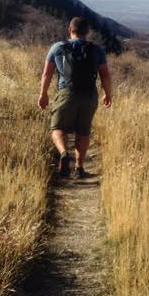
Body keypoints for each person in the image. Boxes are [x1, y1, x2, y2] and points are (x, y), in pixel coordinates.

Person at [38, 17, 112, 178]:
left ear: (70, 31)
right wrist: (108, 93)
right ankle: (79, 168)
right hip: (89, 94)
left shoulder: (57, 47)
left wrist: (43, 94)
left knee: (57, 128)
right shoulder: (96, 50)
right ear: (87, 33)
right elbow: (105, 75)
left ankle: (64, 153)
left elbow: (47, 74)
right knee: (83, 131)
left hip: (66, 93)